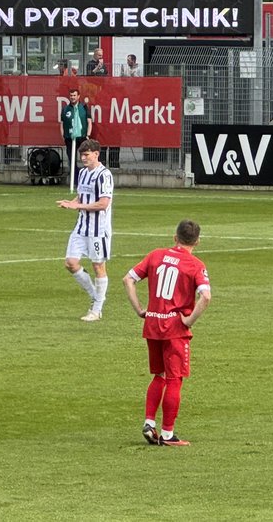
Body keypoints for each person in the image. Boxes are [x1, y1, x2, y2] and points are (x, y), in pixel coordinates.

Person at [123, 219, 212, 448]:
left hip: (152, 323)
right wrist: (189, 320)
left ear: (175, 237)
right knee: (174, 379)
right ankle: (168, 434)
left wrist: (140, 310)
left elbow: (128, 279)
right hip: (174, 328)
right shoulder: (195, 264)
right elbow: (206, 296)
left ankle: (149, 422)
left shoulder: (156, 255)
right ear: (198, 241)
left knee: (159, 376)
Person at [57, 138, 113, 322]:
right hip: (81, 227)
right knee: (70, 263)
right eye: (82, 155)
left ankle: (96, 310)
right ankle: (96, 297)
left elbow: (104, 203)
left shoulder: (104, 175)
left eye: (87, 154)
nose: (83, 158)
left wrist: (78, 206)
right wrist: (71, 203)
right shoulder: (82, 173)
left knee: (98, 266)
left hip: (98, 230)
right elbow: (81, 196)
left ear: (96, 154)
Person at [59, 86, 91, 171]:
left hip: (82, 137)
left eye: (74, 95)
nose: (72, 97)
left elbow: (89, 122)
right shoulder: (65, 109)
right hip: (69, 138)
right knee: (71, 160)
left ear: (78, 96)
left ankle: (85, 177)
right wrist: (63, 136)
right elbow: (62, 123)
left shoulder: (83, 108)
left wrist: (88, 135)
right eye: (71, 95)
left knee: (85, 158)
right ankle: (74, 179)